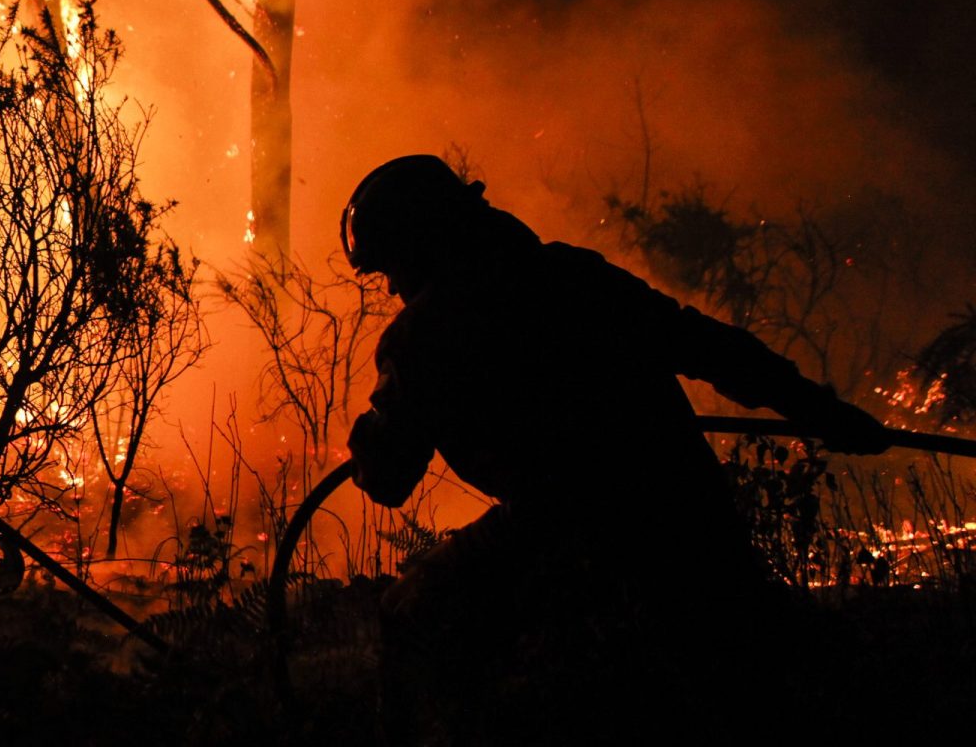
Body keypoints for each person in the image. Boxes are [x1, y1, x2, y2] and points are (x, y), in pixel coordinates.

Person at [339, 154, 889, 743]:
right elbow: (714, 350)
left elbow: (390, 478)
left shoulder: (423, 338)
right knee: (748, 677)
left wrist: (374, 440)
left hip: (566, 531)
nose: (392, 284)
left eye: (391, 265)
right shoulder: (574, 276)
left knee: (410, 616)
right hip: (688, 509)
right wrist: (826, 413)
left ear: (422, 241)